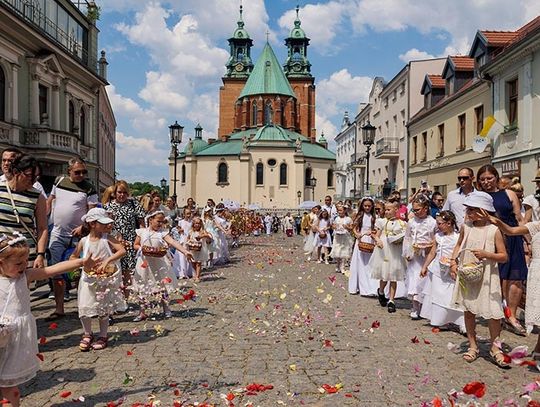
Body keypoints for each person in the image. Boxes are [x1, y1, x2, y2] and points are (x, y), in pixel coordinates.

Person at [0, 232, 97, 407]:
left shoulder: (25, 276)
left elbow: (53, 269)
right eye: (18, 263)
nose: (24, 266)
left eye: (25, 262)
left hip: (15, 340)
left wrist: (81, 262)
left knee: (9, 383)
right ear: (1, 262)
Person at [449, 191, 509, 368]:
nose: (469, 213)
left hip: (488, 275)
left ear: (484, 211)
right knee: (469, 309)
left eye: (473, 210)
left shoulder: (494, 230)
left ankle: (495, 347)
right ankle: (473, 345)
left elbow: (504, 256)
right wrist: (453, 261)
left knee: (493, 313)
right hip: (468, 272)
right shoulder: (466, 226)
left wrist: (487, 254)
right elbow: (459, 244)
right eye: (468, 209)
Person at [481, 208, 540, 359]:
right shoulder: (536, 226)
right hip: (537, 273)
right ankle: (538, 350)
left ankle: (538, 349)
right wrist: (498, 222)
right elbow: (511, 231)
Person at [477, 164, 527, 336]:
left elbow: (519, 219)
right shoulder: (478, 197)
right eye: (482, 179)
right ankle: (498, 312)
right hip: (492, 239)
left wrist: (528, 241)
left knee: (516, 278)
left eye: (489, 178)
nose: (486, 182)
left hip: (513, 238)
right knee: (496, 279)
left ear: (496, 178)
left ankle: (512, 316)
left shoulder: (509, 193)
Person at [47, 157, 98, 320]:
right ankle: (59, 308)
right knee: (56, 271)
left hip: (79, 236)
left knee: (79, 273)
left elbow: (92, 213)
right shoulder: (59, 180)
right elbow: (50, 200)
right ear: (69, 171)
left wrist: (83, 227)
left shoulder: (89, 188)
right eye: (78, 172)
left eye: (84, 172)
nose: (81, 175)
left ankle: (82, 306)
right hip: (57, 233)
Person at [70, 208, 126, 351]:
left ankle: (103, 334)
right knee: (85, 305)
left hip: (103, 279)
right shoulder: (84, 241)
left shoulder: (107, 238)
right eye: (103, 223)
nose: (107, 226)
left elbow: (122, 250)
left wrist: (108, 260)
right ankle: (87, 333)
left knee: (103, 307)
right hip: (88, 279)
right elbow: (73, 257)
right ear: (92, 224)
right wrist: (83, 262)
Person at [132, 210, 193, 321]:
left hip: (159, 263)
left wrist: (185, 251)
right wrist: (141, 248)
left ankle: (166, 308)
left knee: (161, 286)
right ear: (150, 220)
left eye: (162, 221)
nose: (160, 224)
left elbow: (173, 242)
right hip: (145, 263)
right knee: (142, 286)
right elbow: (135, 244)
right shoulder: (141, 232)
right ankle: (142, 311)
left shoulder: (162, 233)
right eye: (158, 221)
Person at [419, 211, 464, 332]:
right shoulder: (438, 236)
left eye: (440, 223)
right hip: (438, 269)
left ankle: (458, 321)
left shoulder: (457, 237)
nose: (437, 226)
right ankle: (438, 321)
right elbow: (433, 252)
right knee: (438, 295)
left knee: (452, 295)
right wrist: (425, 266)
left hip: (451, 269)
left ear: (449, 223)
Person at [0, 155, 48, 269]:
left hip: (24, 255)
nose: (33, 181)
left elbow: (42, 228)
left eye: (36, 177)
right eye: (29, 176)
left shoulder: (38, 197)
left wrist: (40, 255)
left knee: (23, 286)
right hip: (2, 253)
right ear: (16, 172)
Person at [104, 181, 145, 299]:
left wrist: (142, 239)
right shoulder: (108, 206)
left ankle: (125, 298)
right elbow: (105, 226)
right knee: (114, 270)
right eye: (119, 192)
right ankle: (115, 298)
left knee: (127, 271)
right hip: (114, 242)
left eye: (124, 193)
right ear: (115, 192)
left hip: (130, 241)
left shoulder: (134, 204)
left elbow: (142, 224)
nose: (122, 195)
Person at [369, 200, 407, 313]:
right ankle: (381, 291)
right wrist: (377, 240)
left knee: (393, 275)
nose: (386, 212)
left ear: (396, 210)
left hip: (395, 250)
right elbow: (375, 234)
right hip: (384, 249)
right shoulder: (381, 221)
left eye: (389, 209)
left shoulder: (402, 223)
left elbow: (405, 236)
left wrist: (400, 241)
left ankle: (391, 300)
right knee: (385, 275)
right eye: (385, 209)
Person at [403, 195, 437, 320]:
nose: (415, 212)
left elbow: (436, 238)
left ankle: (425, 307)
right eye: (414, 210)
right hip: (415, 255)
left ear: (426, 208)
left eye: (417, 210)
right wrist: (406, 252)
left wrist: (431, 246)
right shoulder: (411, 222)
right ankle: (415, 307)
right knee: (414, 280)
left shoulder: (432, 222)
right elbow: (407, 237)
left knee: (425, 280)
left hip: (428, 255)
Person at [349, 198, 378, 295]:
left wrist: (373, 233)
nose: (367, 208)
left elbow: (376, 228)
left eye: (369, 206)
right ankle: (361, 286)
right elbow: (354, 227)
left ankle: (370, 285)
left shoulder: (374, 217)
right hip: (361, 240)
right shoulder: (360, 216)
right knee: (360, 263)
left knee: (369, 264)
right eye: (365, 206)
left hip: (370, 240)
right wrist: (356, 234)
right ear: (362, 206)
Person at [185, 217, 212, 282]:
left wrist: (202, 236)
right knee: (193, 263)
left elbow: (210, 236)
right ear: (193, 224)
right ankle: (196, 274)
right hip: (192, 249)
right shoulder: (191, 231)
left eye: (199, 223)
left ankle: (197, 276)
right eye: (196, 223)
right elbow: (187, 239)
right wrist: (188, 243)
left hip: (201, 249)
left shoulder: (202, 231)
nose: (197, 225)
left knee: (198, 263)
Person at [331, 206, 353, 274]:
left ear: (344, 211)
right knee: (337, 252)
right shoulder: (337, 218)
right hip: (338, 237)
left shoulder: (348, 219)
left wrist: (347, 227)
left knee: (344, 252)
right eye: (338, 211)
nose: (339, 212)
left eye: (341, 210)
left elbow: (351, 227)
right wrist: (334, 227)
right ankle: (337, 265)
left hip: (345, 237)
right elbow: (333, 226)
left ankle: (342, 267)